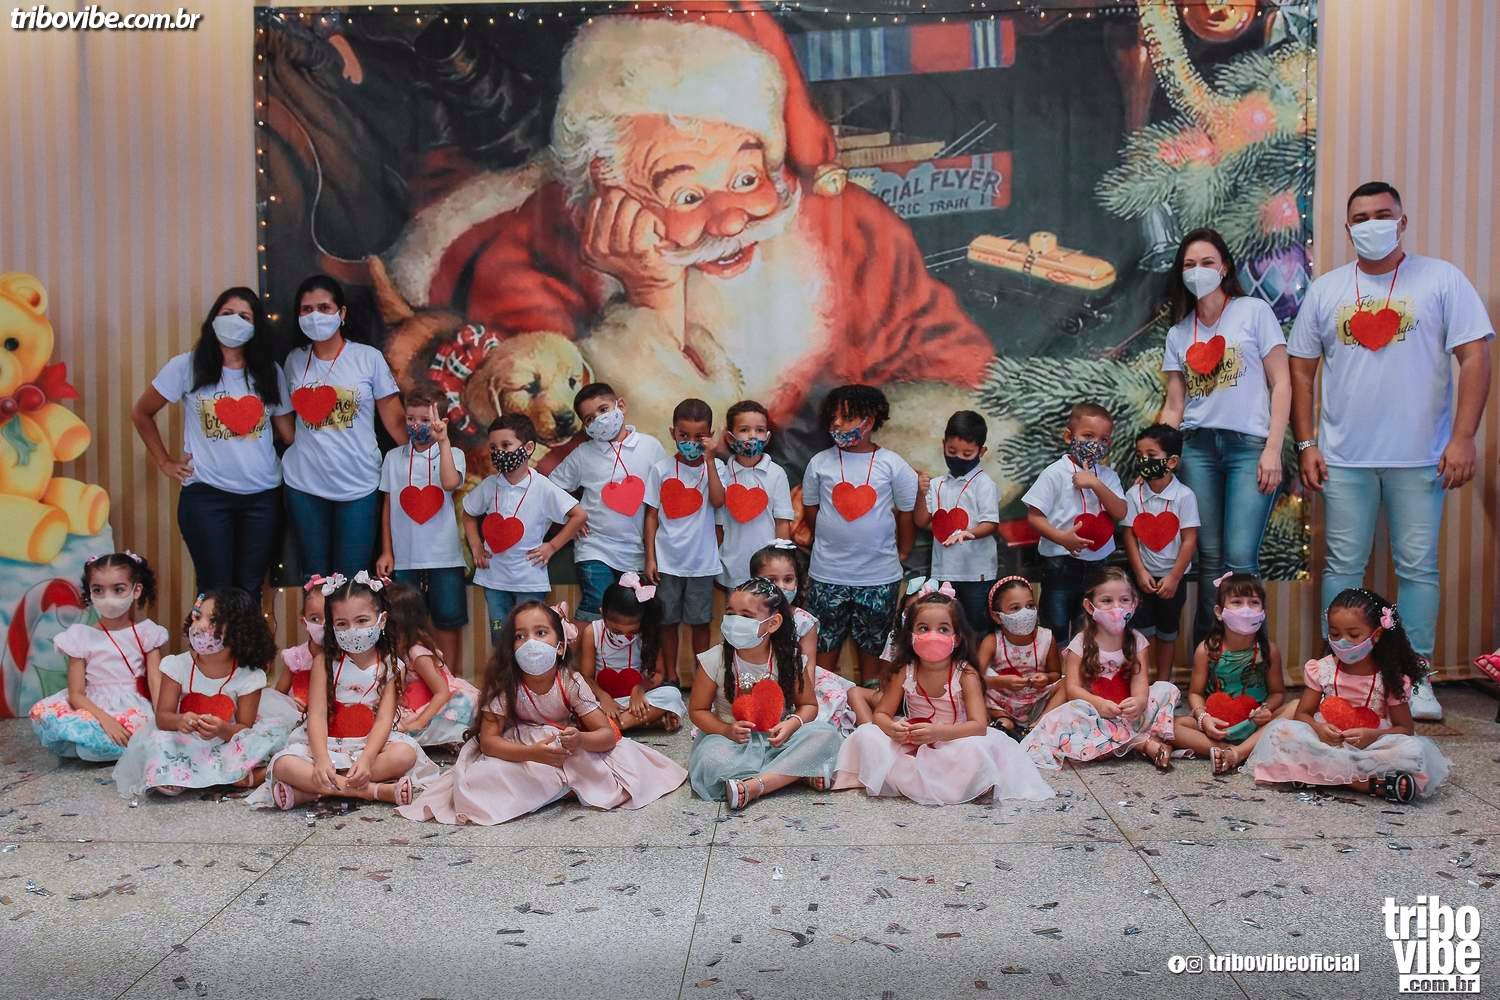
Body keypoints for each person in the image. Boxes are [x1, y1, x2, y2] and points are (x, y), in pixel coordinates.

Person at [1289, 181, 1494, 721]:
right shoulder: (1327, 289)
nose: (1372, 224)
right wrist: (1306, 443)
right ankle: (1338, 678)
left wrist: (1463, 437)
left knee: (1418, 567)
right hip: (1344, 457)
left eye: (1383, 214)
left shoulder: (1442, 279)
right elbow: (1301, 371)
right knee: (1342, 566)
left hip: (1422, 456)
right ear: (1348, 227)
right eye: (1361, 217)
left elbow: (1475, 356)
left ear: (1402, 222)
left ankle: (1414, 679)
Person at [397, 602, 686, 826]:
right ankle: (556, 788)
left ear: (560, 647)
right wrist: (532, 754)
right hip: (520, 749)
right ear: (510, 647)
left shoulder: (570, 681)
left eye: (540, 633)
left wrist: (580, 740)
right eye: (520, 636)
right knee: (480, 780)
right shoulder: (505, 685)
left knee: (615, 765)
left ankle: (557, 787)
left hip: (565, 745)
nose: (531, 643)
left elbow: (606, 735)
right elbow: (489, 743)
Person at [1158, 228, 1289, 640]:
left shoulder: (1253, 312)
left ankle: (1251, 658)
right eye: (1189, 265)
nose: (1198, 271)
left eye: (1207, 262)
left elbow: (1281, 382)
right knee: (1209, 558)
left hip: (1249, 447)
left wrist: (1273, 448)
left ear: (1225, 267)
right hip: (1197, 449)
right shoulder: (1179, 332)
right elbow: (1175, 404)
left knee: (1240, 557)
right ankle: (1209, 655)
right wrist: (1157, 456)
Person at [132, 287, 293, 597]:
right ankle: (209, 633)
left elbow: (288, 433)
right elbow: (142, 412)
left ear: (256, 326)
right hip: (207, 498)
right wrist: (164, 461)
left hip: (262, 498)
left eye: (244, 316)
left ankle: (244, 634)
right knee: (213, 591)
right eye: (227, 313)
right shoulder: (186, 366)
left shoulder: (269, 372)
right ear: (213, 319)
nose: (235, 321)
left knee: (249, 591)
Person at [832, 590, 1053, 805]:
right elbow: (881, 714)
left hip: (955, 740)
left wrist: (938, 733)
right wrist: (892, 729)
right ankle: (915, 780)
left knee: (976, 750)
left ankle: (944, 783)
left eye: (943, 629)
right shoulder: (904, 670)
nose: (933, 635)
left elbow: (979, 726)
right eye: (923, 628)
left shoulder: (965, 673)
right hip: (911, 742)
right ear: (910, 636)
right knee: (866, 734)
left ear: (957, 639)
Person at [252, 573, 438, 810]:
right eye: (342, 624)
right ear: (332, 627)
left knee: (404, 754)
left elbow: (384, 719)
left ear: (382, 620)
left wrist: (367, 760)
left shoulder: (392, 665)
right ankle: (373, 791)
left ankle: (313, 791)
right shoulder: (323, 663)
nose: (352, 630)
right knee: (284, 765)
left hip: (370, 745)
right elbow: (317, 715)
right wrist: (321, 760)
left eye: (362, 621)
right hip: (326, 744)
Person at [1246, 588, 1451, 802]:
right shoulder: (1322, 669)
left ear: (1376, 634)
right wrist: (1319, 729)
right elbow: (1302, 714)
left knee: (1412, 750)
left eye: (1353, 635)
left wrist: (1372, 735)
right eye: (1335, 634)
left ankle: (1314, 776)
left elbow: (1405, 729)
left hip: (1371, 747)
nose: (1342, 642)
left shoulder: (1390, 677)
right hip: (1327, 743)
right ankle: (1367, 784)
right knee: (1283, 732)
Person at [113, 589, 298, 798]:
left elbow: (244, 728)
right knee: (159, 741)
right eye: (198, 617)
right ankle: (207, 774)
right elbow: (162, 717)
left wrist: (222, 729)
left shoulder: (249, 676)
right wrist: (179, 720)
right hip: (187, 740)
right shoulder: (176, 666)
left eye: (213, 621)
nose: (200, 626)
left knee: (271, 733)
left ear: (238, 630)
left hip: (227, 742)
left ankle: (234, 773)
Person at [281, 274, 408, 579]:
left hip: (360, 485)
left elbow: (394, 420)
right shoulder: (294, 361)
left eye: (324, 307)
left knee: (352, 583)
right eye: (307, 309)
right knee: (315, 580)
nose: (315, 316)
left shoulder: (367, 358)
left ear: (342, 313)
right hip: (304, 486)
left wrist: (423, 461)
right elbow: (287, 423)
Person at [688, 578, 843, 809]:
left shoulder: (789, 659)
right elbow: (697, 710)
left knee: (826, 735)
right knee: (711, 761)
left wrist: (791, 724)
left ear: (773, 623)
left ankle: (755, 786)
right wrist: (726, 730)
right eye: (730, 613)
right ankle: (795, 773)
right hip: (732, 742)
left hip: (780, 741)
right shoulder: (714, 659)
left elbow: (809, 706)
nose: (735, 621)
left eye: (746, 616)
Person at [801, 384, 918, 684]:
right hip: (827, 574)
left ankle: (868, 703)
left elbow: (906, 514)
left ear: (869, 420)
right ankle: (824, 703)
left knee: (873, 649)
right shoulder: (820, 463)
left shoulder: (892, 464)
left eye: (847, 417)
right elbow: (811, 508)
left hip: (878, 577)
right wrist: (826, 538)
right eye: (833, 418)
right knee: (824, 646)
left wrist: (903, 552)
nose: (837, 424)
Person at [1022, 567, 1180, 771]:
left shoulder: (1137, 641)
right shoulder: (1080, 643)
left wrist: (1139, 701)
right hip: (1094, 716)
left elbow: (1140, 682)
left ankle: (1130, 739)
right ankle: (1140, 742)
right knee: (1070, 713)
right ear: (1090, 606)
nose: (1117, 607)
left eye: (1124, 600)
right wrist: (1099, 704)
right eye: (1107, 601)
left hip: (1129, 715)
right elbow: (1072, 689)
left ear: (1134, 603)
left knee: (1165, 688)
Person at [30, 552, 169, 761]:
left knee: (138, 737)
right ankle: (98, 744)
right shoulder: (80, 637)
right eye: (98, 590)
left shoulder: (147, 633)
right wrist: (106, 721)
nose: (107, 598)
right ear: (90, 592)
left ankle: (104, 747)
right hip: (95, 706)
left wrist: (163, 721)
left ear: (136, 590)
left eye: (118, 589)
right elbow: (76, 694)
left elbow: (155, 682)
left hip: (135, 705)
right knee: (60, 722)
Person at [462, 414, 585, 643]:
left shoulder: (543, 487)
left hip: (529, 580)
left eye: (506, 445)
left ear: (528, 448)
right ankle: (504, 668)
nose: (499, 452)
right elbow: (468, 513)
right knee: (500, 634)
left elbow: (579, 515)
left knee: (530, 638)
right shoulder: (489, 486)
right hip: (494, 579)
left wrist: (552, 546)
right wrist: (476, 546)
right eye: (493, 447)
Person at [549, 383, 668, 621]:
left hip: (636, 552)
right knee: (596, 605)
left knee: (631, 613)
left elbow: (663, 493)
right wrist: (571, 516)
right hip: (594, 548)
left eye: (603, 410)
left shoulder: (650, 447)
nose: (598, 419)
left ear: (620, 406)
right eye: (589, 418)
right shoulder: (583, 454)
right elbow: (550, 488)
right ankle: (580, 646)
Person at [376, 383, 467, 671]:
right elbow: (388, 505)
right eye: (411, 418)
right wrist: (386, 551)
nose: (416, 425)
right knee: (405, 623)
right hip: (406, 559)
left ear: (441, 421)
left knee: (448, 621)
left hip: (445, 558)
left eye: (425, 419)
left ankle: (450, 680)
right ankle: (413, 679)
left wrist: (443, 442)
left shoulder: (453, 453)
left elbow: (450, 483)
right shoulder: (393, 458)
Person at [1022, 402, 1126, 640]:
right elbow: (1034, 516)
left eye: (1103, 439)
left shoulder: (1109, 476)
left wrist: (1095, 483)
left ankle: (1083, 663)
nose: (1095, 444)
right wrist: (1062, 538)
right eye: (1088, 436)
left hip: (1099, 565)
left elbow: (1120, 511)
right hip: (1060, 563)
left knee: (1089, 627)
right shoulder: (1054, 473)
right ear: (1069, 436)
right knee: (1055, 624)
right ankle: (1057, 663)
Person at [1170, 572, 1292, 774]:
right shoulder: (1206, 650)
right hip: (1217, 725)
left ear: (1263, 612)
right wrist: (1203, 718)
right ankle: (1231, 750)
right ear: (1219, 612)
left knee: (1295, 707)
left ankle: (1238, 752)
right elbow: (1195, 693)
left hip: (1256, 725)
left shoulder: (1268, 650)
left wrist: (1265, 709)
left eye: (1254, 602)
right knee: (1171, 726)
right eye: (1237, 602)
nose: (1246, 609)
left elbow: (1278, 693)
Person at [748, 541, 875, 734]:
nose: (781, 587)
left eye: (788, 579)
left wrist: (797, 701)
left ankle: (872, 732)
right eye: (772, 580)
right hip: (759, 678)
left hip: (801, 683)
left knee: (826, 711)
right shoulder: (747, 618)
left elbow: (808, 665)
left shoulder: (804, 621)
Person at [644, 398, 725, 679]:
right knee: (667, 622)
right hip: (667, 563)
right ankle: (671, 677)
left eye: (698, 437)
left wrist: (710, 458)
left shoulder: (716, 467)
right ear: (673, 433)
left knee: (700, 623)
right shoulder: (661, 469)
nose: (690, 442)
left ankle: (703, 679)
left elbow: (718, 500)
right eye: (683, 435)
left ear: (709, 436)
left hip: (701, 564)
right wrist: (651, 558)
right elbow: (651, 516)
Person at [1120, 423, 1201, 681]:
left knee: (1168, 633)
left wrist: (1174, 577)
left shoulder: (1185, 496)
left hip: (1173, 579)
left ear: (1172, 461)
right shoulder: (1133, 495)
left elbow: (1189, 540)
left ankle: (1164, 683)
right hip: (1143, 579)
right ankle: (1142, 681)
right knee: (1141, 633)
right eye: (1140, 455)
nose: (1144, 460)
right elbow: (1129, 535)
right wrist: (1140, 572)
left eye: (1151, 455)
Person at [913, 410, 1000, 634]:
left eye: (967, 453)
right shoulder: (937, 484)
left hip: (977, 574)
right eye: (951, 451)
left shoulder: (984, 484)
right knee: (946, 628)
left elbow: (991, 523)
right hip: (943, 572)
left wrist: (969, 533)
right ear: (943, 445)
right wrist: (921, 493)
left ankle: (976, 659)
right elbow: (922, 521)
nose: (958, 457)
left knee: (976, 629)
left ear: (981, 451)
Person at [576, 579, 688, 732]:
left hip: (636, 701)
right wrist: (604, 698)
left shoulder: (648, 632)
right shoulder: (592, 632)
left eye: (633, 631)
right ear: (603, 614)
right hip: (602, 700)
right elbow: (586, 677)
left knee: (671, 694)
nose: (625, 636)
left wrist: (639, 689)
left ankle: (613, 726)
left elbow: (659, 674)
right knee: (575, 702)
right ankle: (649, 722)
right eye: (616, 631)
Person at [385, 582, 480, 748]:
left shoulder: (417, 654)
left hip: (443, 703)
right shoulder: (394, 648)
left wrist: (420, 722)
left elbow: (442, 692)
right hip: (415, 701)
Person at [715, 400, 794, 588]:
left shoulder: (776, 474)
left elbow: (782, 523)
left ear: (767, 437)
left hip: (768, 572)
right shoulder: (722, 474)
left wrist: (781, 565)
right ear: (730, 438)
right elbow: (717, 527)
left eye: (759, 430)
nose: (752, 435)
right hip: (730, 570)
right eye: (744, 430)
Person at [976, 577, 1063, 737]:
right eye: (1015, 608)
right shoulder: (992, 641)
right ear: (997, 617)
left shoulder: (1046, 637)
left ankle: (1036, 726)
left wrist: (1046, 678)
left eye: (1030, 606)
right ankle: (1004, 723)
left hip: (1037, 701)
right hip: (1001, 702)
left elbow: (1056, 674)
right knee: (977, 694)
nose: (1025, 613)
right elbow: (974, 679)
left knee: (1066, 685)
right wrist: (1001, 682)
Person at [274, 578, 326, 713]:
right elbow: (277, 696)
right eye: (315, 619)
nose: (323, 625)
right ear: (304, 621)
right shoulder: (296, 657)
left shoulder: (346, 657)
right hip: (296, 717)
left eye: (330, 618)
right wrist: (291, 704)